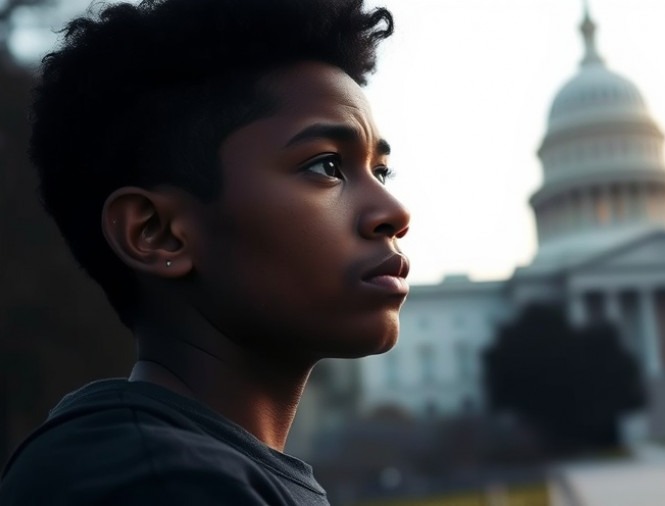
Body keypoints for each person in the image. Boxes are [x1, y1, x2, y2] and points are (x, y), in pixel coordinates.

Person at [0, 0, 409, 503]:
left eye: (380, 171)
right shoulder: (159, 482)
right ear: (156, 233)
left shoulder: (187, 465)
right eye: (326, 166)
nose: (393, 211)